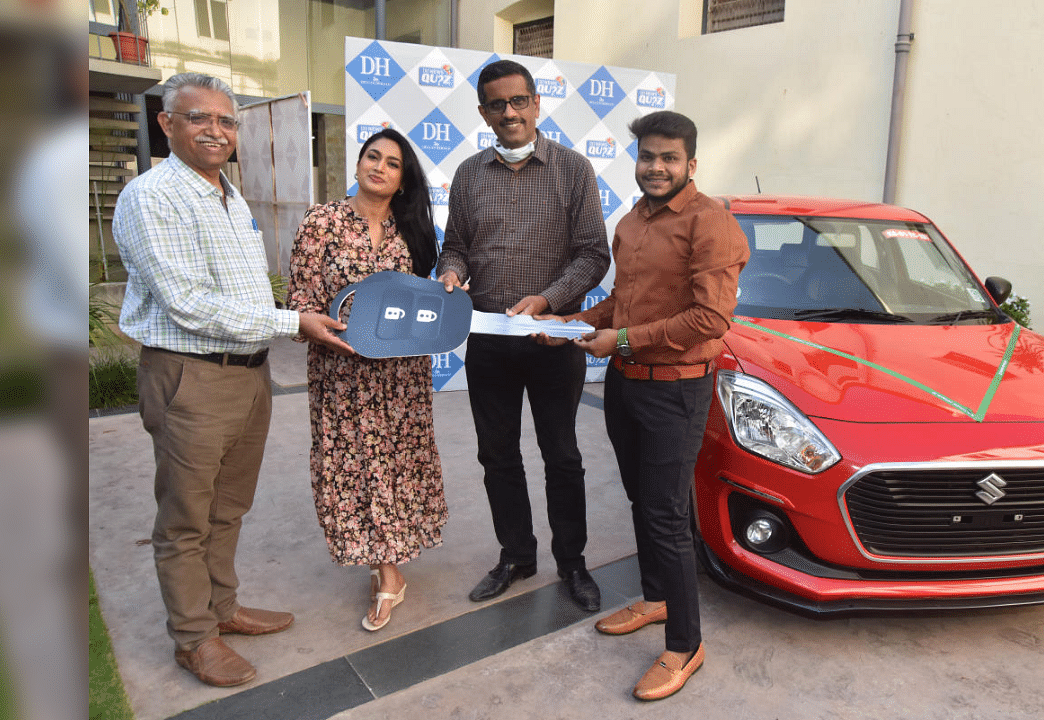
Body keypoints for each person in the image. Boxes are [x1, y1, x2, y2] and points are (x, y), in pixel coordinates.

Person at [113, 72, 353, 687]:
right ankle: (193, 640)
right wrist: (290, 320)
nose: (215, 130)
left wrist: (286, 321)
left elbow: (239, 293)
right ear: (167, 125)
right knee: (187, 516)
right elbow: (186, 303)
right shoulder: (153, 196)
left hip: (248, 375)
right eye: (199, 118)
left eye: (226, 120)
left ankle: (221, 609)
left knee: (228, 506)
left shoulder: (229, 194)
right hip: (191, 375)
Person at [560, 110, 748, 700]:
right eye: (647, 157)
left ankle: (685, 646)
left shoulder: (710, 224)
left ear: (691, 164)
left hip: (676, 389)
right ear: (636, 161)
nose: (656, 167)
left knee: (667, 514)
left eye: (669, 158)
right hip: (626, 383)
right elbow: (623, 299)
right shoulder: (633, 220)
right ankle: (657, 599)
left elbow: (710, 319)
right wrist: (570, 324)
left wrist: (618, 339)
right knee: (643, 500)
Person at [437, 59, 610, 611]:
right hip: (489, 341)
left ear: (536, 103)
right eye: (496, 104)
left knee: (562, 455)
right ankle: (516, 554)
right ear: (484, 111)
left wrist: (549, 303)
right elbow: (456, 245)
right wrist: (451, 271)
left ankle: (573, 562)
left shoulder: (573, 169)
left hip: (553, 340)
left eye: (518, 101)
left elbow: (593, 255)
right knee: (498, 456)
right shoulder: (468, 175)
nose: (509, 112)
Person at [287, 127, 448, 632]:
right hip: (342, 374)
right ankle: (387, 573)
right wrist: (319, 330)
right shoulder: (323, 221)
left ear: (403, 180)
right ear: (357, 165)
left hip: (401, 377)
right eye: (372, 157)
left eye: (393, 163)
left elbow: (424, 302)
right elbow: (302, 301)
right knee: (356, 467)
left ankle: (389, 570)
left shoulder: (415, 232)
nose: (379, 167)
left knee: (398, 463)